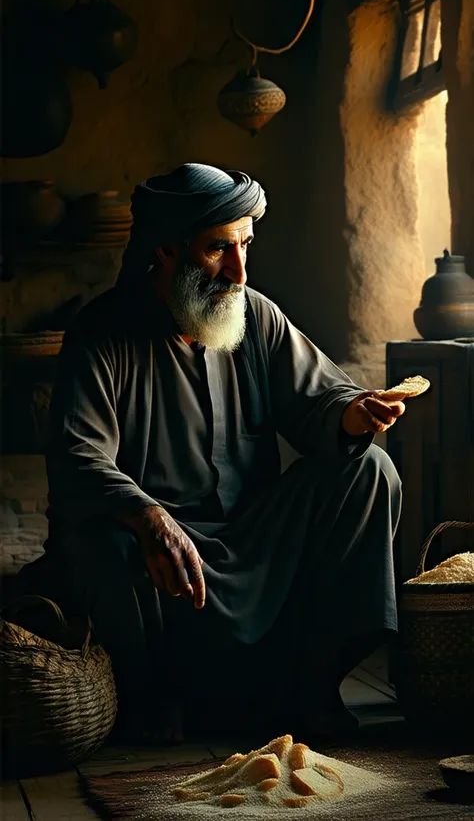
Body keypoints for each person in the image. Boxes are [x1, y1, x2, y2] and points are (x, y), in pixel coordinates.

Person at [18, 163, 404, 744]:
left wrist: (352, 415)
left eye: (245, 244)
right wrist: (149, 516)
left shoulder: (259, 318)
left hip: (255, 540)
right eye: (218, 249)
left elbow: (322, 399)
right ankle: (157, 706)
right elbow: (78, 456)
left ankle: (315, 688)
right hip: (164, 553)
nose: (239, 270)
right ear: (166, 251)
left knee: (367, 470)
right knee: (103, 535)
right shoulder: (103, 334)